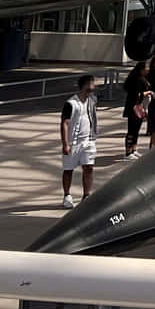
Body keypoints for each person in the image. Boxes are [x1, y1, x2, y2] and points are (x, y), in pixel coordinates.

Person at [60, 74, 98, 208]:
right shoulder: (71, 104)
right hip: (73, 143)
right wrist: (65, 144)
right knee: (68, 169)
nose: (94, 88)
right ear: (85, 85)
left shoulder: (92, 100)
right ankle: (67, 195)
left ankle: (86, 195)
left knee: (89, 167)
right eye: (92, 85)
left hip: (88, 141)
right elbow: (64, 123)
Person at [121, 58, 151, 157]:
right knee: (131, 130)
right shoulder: (136, 80)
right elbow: (137, 94)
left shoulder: (143, 78)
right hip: (133, 107)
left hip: (140, 107)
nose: (148, 69)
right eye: (147, 67)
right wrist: (149, 92)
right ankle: (128, 151)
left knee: (136, 129)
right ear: (141, 69)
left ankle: (134, 149)